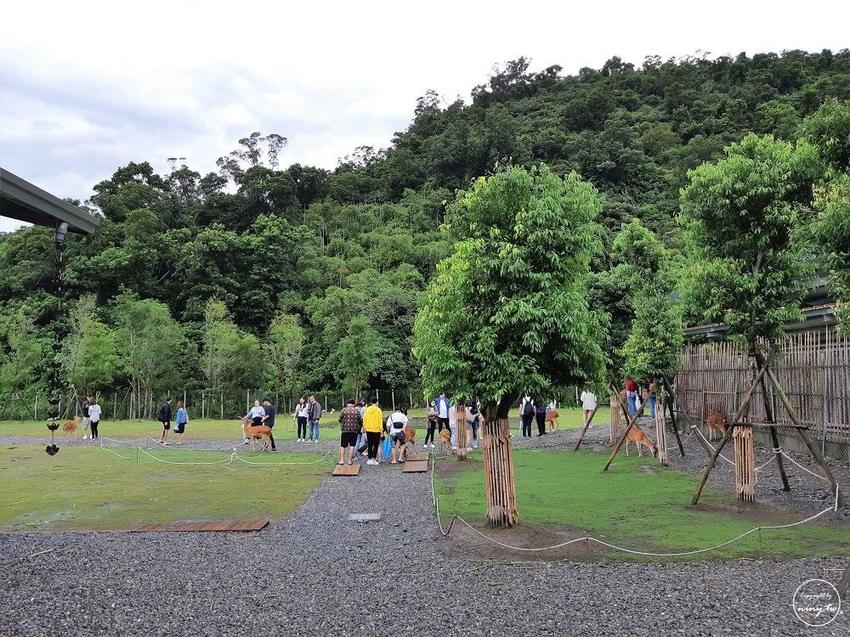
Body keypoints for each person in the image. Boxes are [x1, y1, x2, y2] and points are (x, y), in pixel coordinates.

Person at [338, 398, 362, 465]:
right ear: (354, 404)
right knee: (352, 445)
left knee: (343, 445)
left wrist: (343, 423)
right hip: (354, 430)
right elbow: (360, 421)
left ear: (347, 404)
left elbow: (339, 419)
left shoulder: (344, 410)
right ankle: (349, 460)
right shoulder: (357, 411)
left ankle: (342, 460)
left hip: (345, 430)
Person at [362, 397, 383, 465]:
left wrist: (364, 427)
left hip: (368, 429)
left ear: (371, 402)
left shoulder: (367, 409)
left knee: (370, 444)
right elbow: (380, 421)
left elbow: (364, 419)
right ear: (377, 402)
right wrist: (381, 430)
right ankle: (373, 459)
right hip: (376, 430)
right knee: (376, 445)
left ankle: (369, 459)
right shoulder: (378, 410)